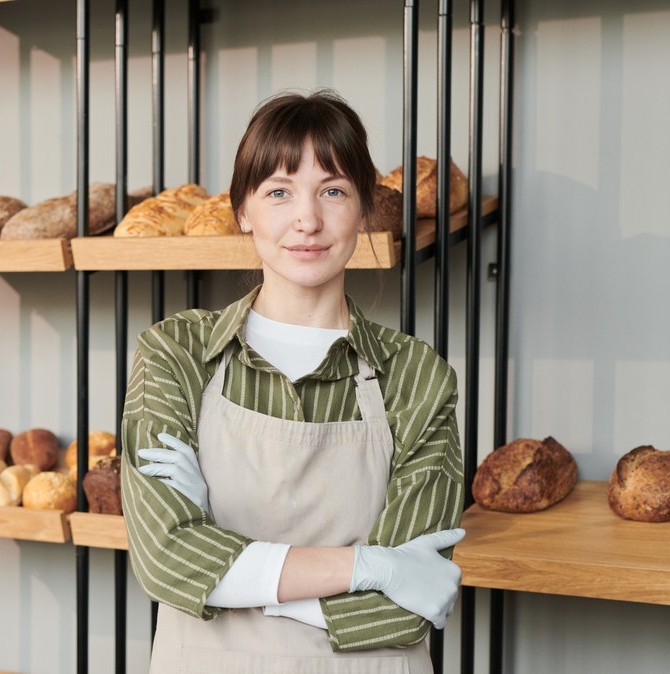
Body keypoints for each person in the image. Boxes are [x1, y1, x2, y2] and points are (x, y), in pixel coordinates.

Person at [120, 90, 466, 673]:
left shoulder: (416, 375)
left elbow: (408, 608)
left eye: (333, 191)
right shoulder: (178, 354)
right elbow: (166, 559)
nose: (307, 219)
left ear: (362, 212)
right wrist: (370, 568)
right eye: (278, 192)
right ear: (244, 211)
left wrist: (230, 569)